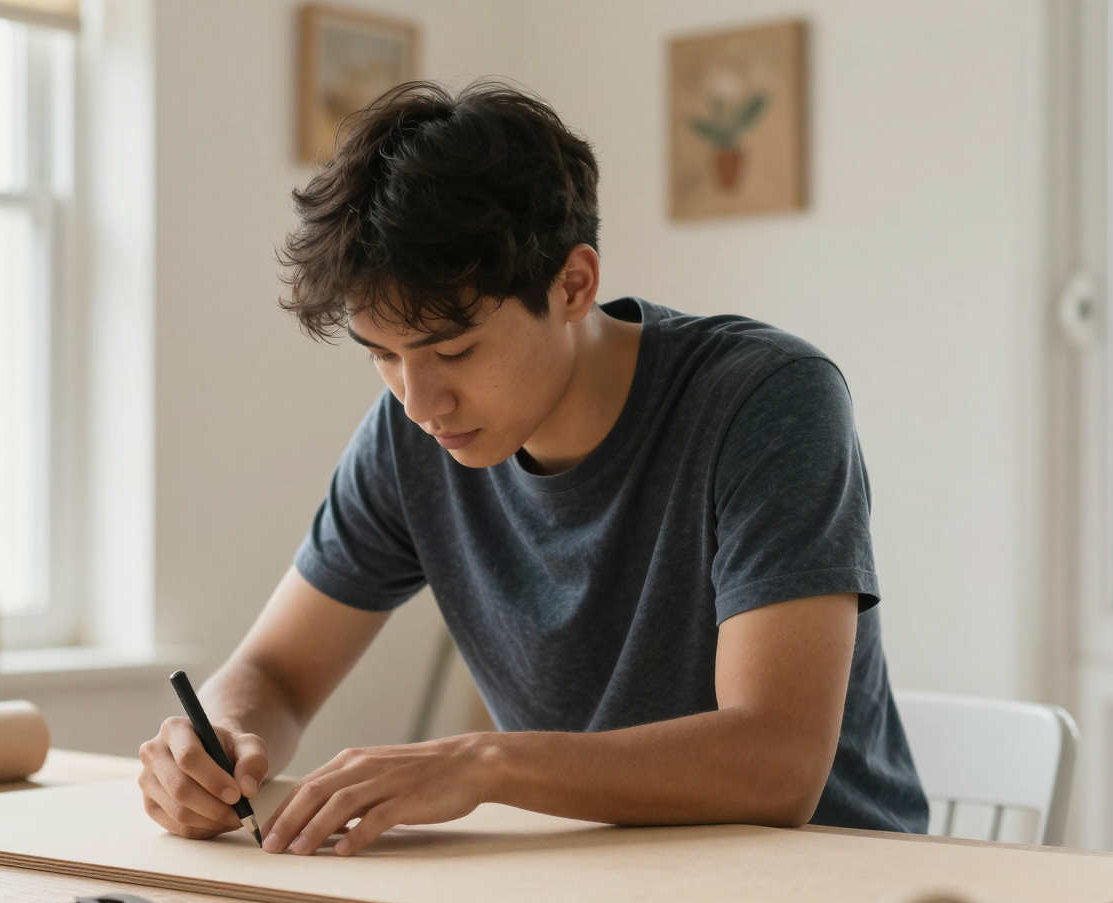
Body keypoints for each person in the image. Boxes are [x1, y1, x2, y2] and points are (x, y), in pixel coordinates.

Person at [139, 80, 926, 856]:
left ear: (573, 285)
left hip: (829, 882)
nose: (420, 402)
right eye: (382, 355)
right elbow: (276, 672)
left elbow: (777, 762)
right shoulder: (410, 438)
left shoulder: (765, 399)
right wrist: (219, 742)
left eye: (455, 350)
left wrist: (485, 762)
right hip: (590, 878)